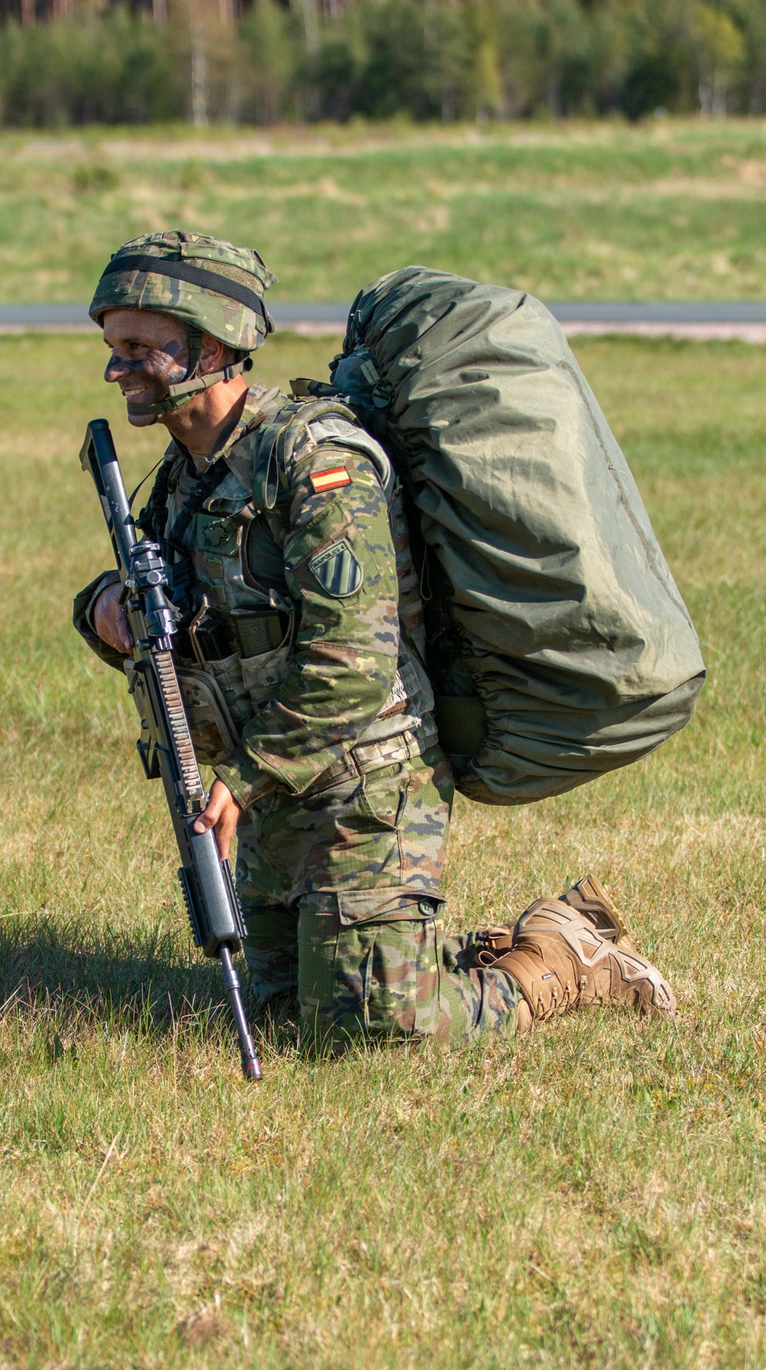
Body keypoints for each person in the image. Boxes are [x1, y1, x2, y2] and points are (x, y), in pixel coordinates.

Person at [73, 231, 675, 1055]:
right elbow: (183, 633)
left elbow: (352, 665)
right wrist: (106, 610)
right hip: (283, 784)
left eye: (139, 347)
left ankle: (569, 954)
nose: (117, 369)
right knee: (288, 1020)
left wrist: (241, 784)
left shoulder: (314, 460)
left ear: (212, 345)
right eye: (113, 349)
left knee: (376, 1032)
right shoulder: (184, 477)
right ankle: (412, 956)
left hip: (366, 779)